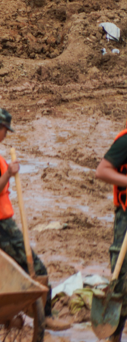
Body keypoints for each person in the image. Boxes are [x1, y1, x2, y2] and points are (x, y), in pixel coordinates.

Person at [0, 106, 70, 331]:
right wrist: (9, 173)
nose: (5, 135)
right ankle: (45, 316)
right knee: (37, 268)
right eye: (5, 131)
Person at [94, 120, 127, 342]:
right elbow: (102, 171)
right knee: (122, 277)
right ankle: (114, 335)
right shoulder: (125, 141)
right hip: (125, 218)